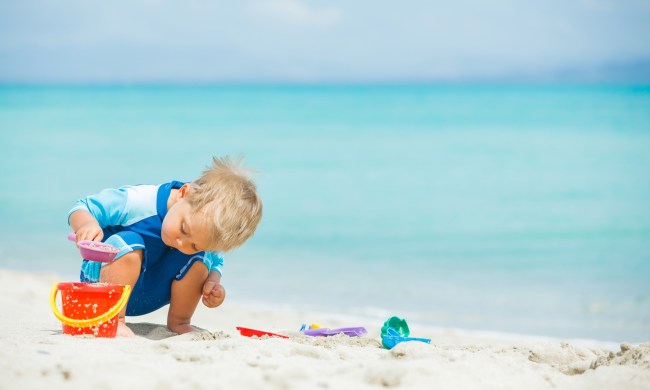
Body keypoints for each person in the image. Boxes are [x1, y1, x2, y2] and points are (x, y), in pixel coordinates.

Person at [67, 156, 262, 336]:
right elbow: (83, 206)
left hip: (150, 296)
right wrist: (86, 224)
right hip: (103, 284)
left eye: (194, 244)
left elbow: (215, 259)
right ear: (184, 193)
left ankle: (180, 322)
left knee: (200, 259)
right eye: (183, 229)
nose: (181, 243)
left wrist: (212, 281)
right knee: (130, 240)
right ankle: (114, 319)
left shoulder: (199, 234)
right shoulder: (139, 201)